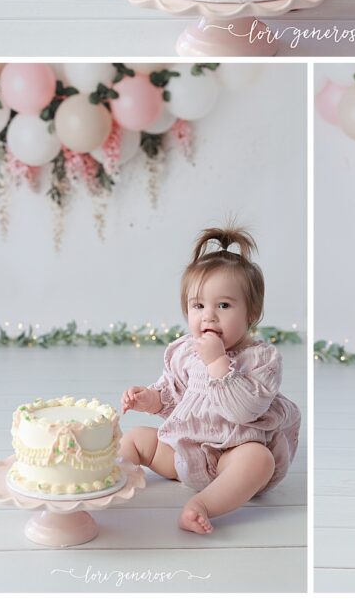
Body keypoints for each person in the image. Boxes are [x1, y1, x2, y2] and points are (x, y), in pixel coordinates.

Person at [119, 225, 301, 533]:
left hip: (233, 456)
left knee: (259, 460)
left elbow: (244, 411)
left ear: (251, 313)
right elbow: (173, 392)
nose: (209, 316)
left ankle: (203, 505)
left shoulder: (261, 359)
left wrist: (218, 362)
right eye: (198, 306)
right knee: (136, 437)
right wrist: (149, 399)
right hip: (186, 453)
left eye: (224, 305)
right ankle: (110, 478)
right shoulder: (185, 351)